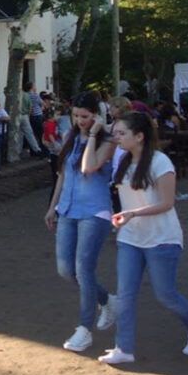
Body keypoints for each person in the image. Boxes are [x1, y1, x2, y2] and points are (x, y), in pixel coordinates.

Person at [98, 112, 188, 364]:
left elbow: (167, 203)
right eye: (115, 132)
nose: (116, 137)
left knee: (165, 294)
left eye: (121, 133)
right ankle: (123, 348)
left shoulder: (160, 162)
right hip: (130, 238)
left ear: (139, 136)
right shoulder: (123, 160)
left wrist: (132, 213)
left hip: (162, 238)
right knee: (125, 295)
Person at [44, 92, 118, 352]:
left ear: (96, 114)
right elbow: (63, 176)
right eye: (75, 116)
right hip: (67, 209)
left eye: (85, 116)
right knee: (66, 270)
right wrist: (53, 206)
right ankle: (107, 300)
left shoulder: (107, 139)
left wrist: (95, 134)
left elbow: (89, 168)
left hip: (94, 210)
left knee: (83, 269)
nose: (79, 121)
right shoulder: (70, 136)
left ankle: (84, 329)